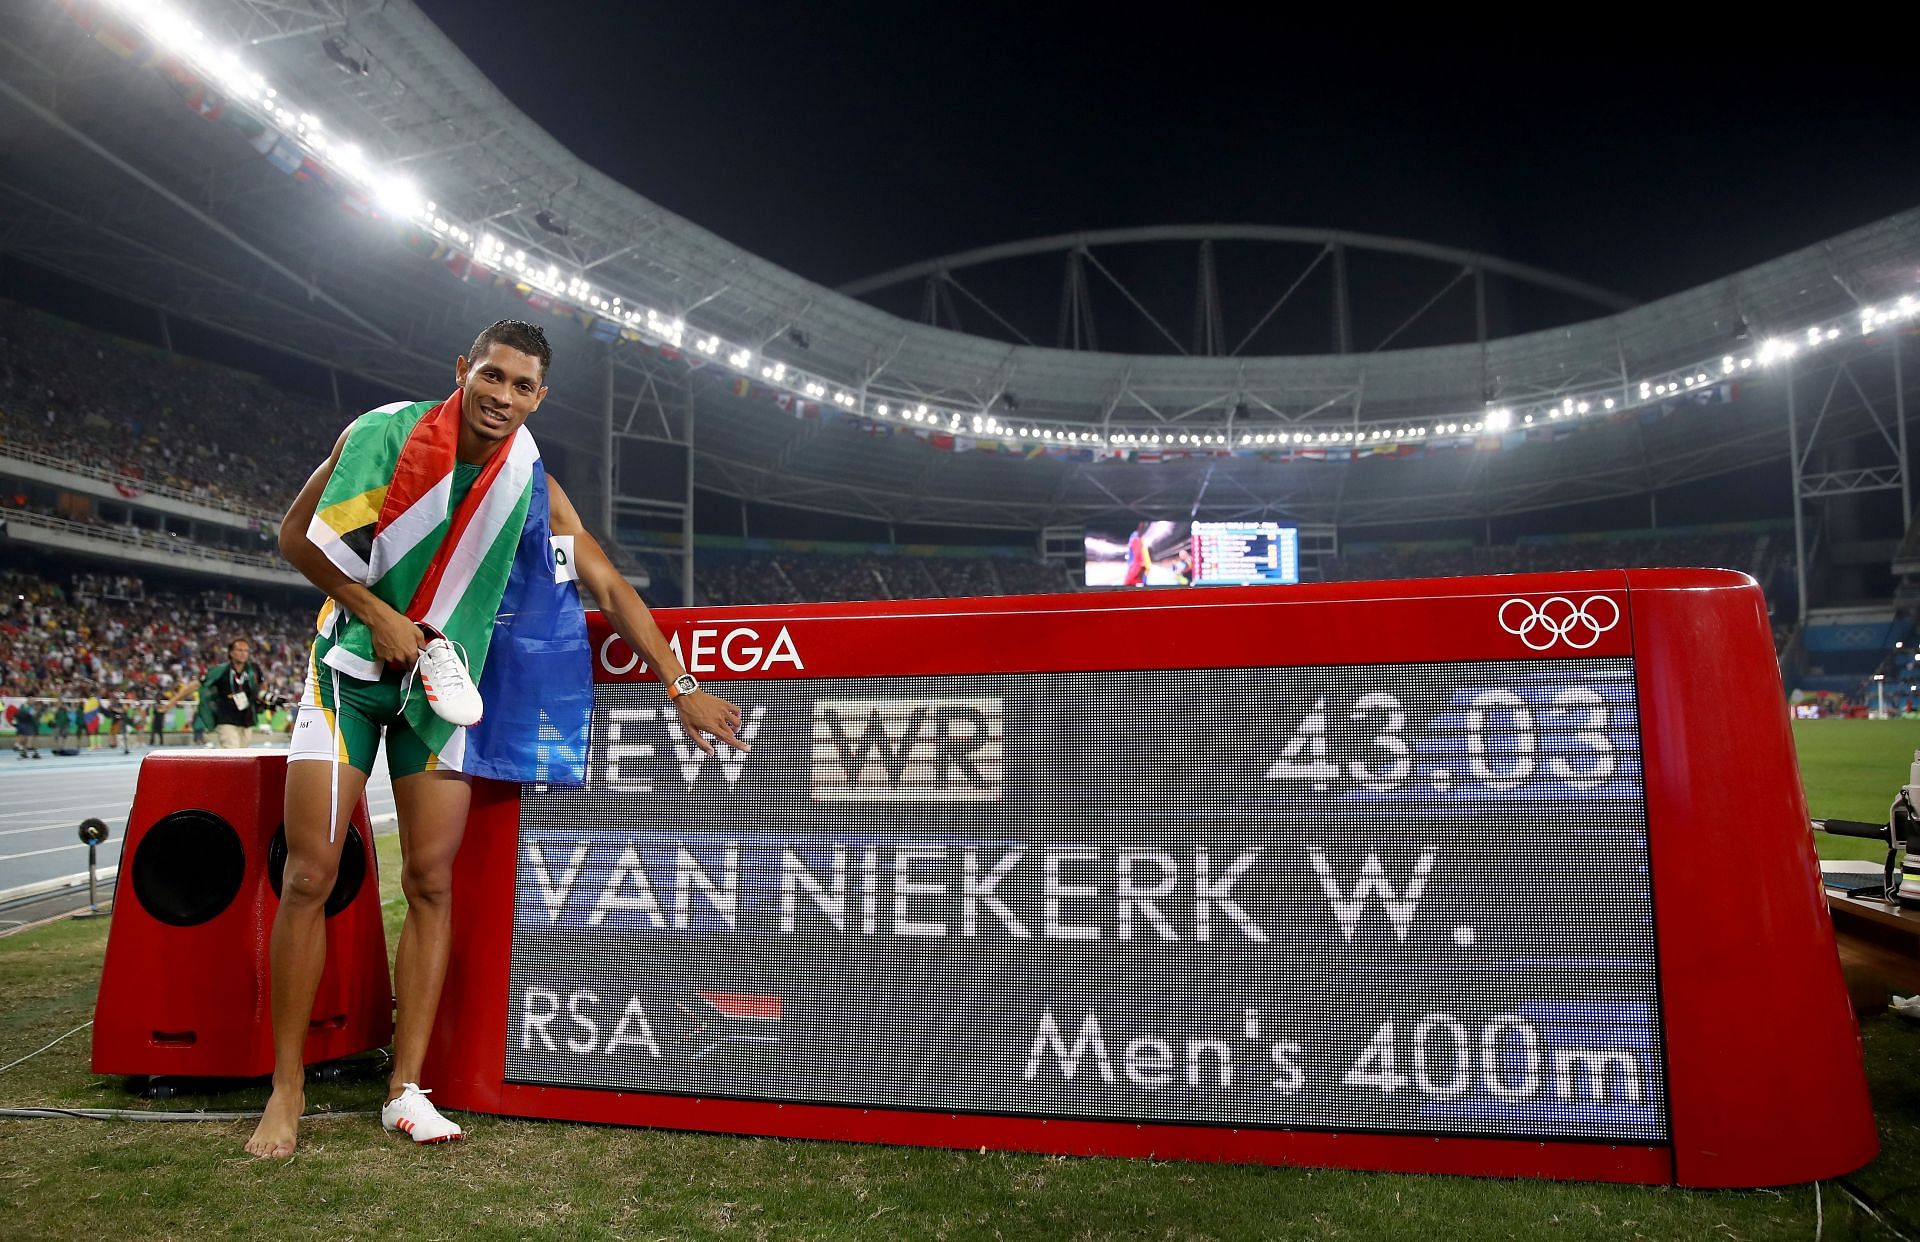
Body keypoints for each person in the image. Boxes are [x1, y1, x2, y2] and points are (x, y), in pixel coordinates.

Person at [245, 320, 747, 1159]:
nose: (503, 396)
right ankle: (285, 1091)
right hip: (349, 673)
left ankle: (404, 1090)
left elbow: (608, 582)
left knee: (431, 880)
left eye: (522, 386)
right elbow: (296, 537)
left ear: (539, 398)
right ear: (463, 371)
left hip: (440, 690)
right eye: (493, 375)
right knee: (310, 871)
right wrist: (376, 613)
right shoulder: (386, 433)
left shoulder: (530, 480)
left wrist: (681, 683)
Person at [162, 639, 265, 748]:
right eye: (239, 650)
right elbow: (195, 684)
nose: (243, 653)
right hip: (227, 720)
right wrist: (172, 702)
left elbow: (261, 686)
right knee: (232, 755)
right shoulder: (220, 670)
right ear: (231, 653)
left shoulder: (253, 670)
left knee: (244, 758)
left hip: (246, 720)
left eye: (246, 650)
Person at [1123, 521, 1152, 586]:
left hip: (1140, 564)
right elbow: (1134, 551)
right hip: (1136, 563)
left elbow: (1143, 552)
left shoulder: (1142, 539)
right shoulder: (1135, 537)